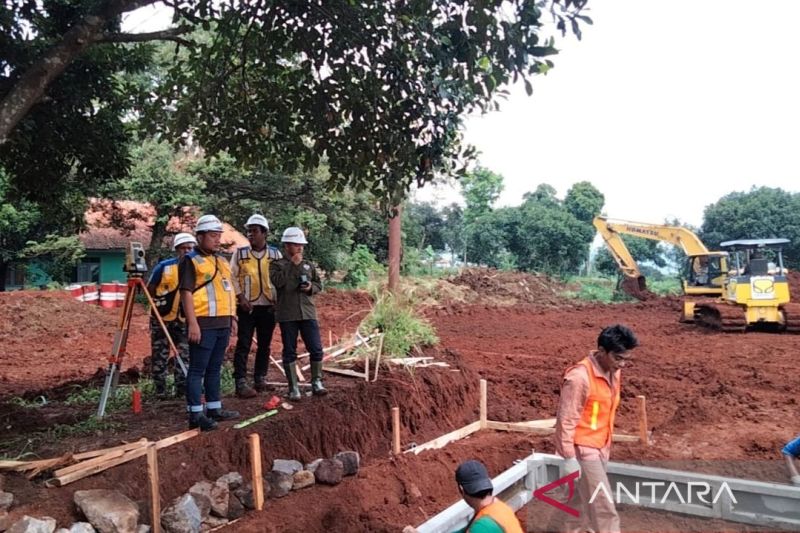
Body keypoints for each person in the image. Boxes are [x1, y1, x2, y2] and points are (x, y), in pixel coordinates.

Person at [554, 324, 639, 533]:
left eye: (627, 359)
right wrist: (568, 458)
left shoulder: (613, 371)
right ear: (601, 351)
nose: (623, 364)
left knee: (578, 500)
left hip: (601, 444)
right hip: (583, 449)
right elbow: (566, 419)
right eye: (618, 358)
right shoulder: (579, 378)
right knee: (603, 504)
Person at [179, 214, 240, 431]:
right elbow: (186, 293)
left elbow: (228, 291)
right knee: (198, 369)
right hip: (203, 323)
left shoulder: (221, 260)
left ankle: (214, 408)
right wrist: (192, 323)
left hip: (222, 322)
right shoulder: (190, 260)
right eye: (213, 236)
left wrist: (232, 317)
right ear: (200, 236)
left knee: (214, 368)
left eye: (218, 236)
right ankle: (195, 413)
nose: (217, 240)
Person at [269, 226, 326, 400]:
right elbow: (278, 282)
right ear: (287, 245)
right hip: (288, 314)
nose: (300, 248)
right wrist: (293, 266)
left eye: (302, 244)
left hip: (307, 312)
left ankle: (317, 382)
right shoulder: (277, 265)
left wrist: (310, 288)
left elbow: (318, 284)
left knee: (316, 348)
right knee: (289, 351)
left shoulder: (308, 265)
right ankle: (293, 387)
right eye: (296, 244)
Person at [229, 214, 283, 398]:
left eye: (255, 231)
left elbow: (281, 279)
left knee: (265, 344)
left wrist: (279, 301)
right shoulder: (240, 253)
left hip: (269, 305)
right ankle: (240, 381)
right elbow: (232, 277)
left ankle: (260, 378)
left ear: (264, 233)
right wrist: (240, 297)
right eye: (249, 231)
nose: (251, 234)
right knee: (244, 343)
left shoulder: (275, 254)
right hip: (247, 306)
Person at [402, 460, 522, 533]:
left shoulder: (484, 526)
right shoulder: (497, 507)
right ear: (488, 482)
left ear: (461, 489)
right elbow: (464, 530)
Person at [147, 232, 195, 398]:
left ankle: (181, 390)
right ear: (177, 249)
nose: (187, 251)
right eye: (184, 248)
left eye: (190, 248)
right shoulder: (164, 266)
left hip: (184, 320)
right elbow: (151, 288)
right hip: (161, 319)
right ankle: (160, 390)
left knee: (184, 355)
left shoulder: (197, 267)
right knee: (159, 355)